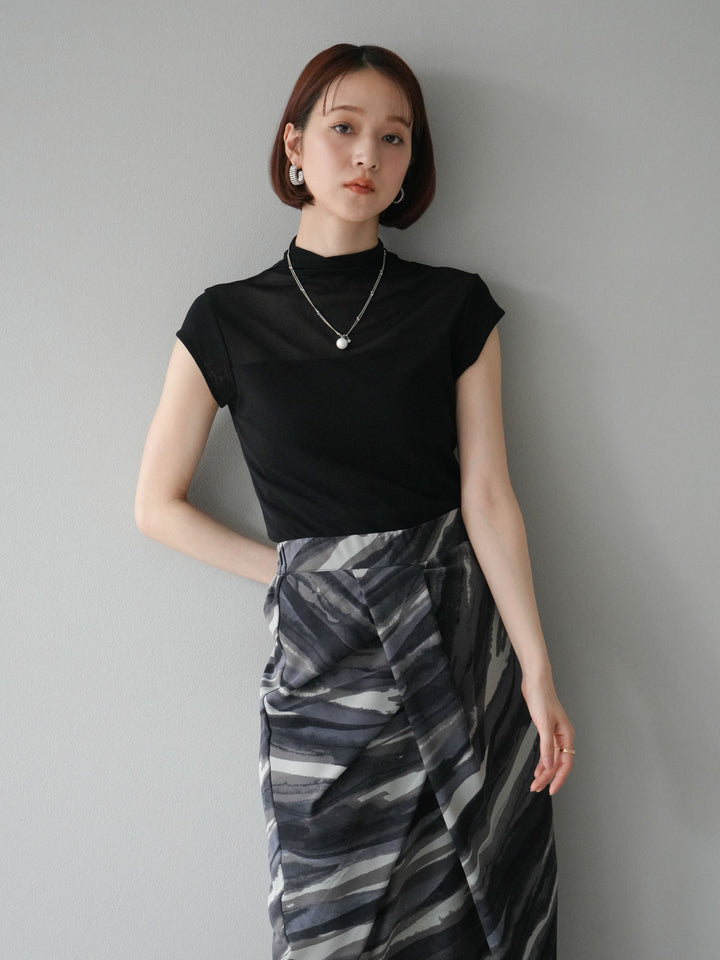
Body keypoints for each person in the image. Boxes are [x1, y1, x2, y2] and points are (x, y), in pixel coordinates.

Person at [135, 43, 574, 960]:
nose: (369, 155)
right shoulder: (225, 319)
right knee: (329, 925)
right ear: (295, 145)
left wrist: (536, 672)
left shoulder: (453, 306)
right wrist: (303, 572)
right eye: (344, 129)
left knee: (476, 919)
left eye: (394, 137)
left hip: (460, 660)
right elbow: (157, 505)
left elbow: (488, 496)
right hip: (324, 675)